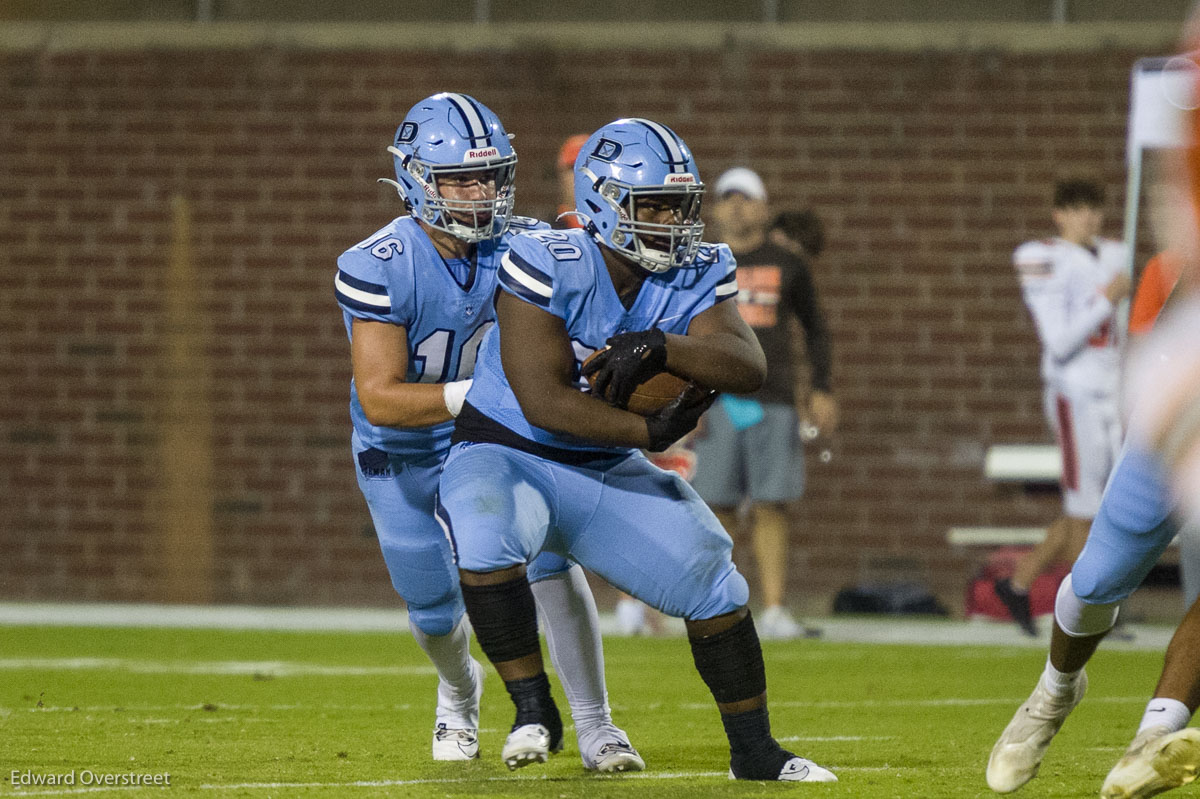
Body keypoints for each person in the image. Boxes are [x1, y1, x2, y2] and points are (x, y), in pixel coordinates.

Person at [437, 117, 838, 782]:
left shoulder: (699, 265)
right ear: (600, 199)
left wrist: (663, 346)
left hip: (600, 466)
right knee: (484, 537)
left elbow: (745, 363)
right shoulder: (545, 259)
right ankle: (534, 706)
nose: (670, 221)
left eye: (679, 205)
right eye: (650, 204)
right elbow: (544, 401)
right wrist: (650, 433)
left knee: (712, 576)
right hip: (510, 451)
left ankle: (755, 752)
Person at [334, 92, 642, 772]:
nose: (479, 193)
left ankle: (596, 725)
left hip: (494, 437)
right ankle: (458, 686)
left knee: (549, 558)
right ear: (416, 178)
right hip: (405, 450)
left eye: (489, 175)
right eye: (459, 179)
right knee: (434, 607)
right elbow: (381, 399)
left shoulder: (529, 245)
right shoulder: (378, 261)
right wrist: (491, 390)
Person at [688, 167, 837, 640]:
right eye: (727, 197)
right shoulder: (697, 263)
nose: (736, 205)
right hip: (713, 400)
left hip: (771, 398)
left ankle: (773, 607)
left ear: (763, 207)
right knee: (718, 506)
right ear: (714, 208)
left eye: (746, 198)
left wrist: (822, 388)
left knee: (773, 503)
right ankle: (722, 603)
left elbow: (816, 329)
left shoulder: (787, 264)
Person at [993, 178, 1131, 636]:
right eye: (1075, 209)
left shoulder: (1114, 253)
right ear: (1058, 213)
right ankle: (1085, 611)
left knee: (1101, 504)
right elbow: (1060, 341)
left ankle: (1021, 582)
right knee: (1084, 506)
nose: (1087, 218)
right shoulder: (1041, 257)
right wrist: (1103, 301)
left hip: (1114, 389)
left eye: (1093, 208)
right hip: (1075, 392)